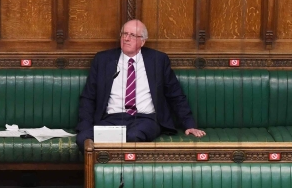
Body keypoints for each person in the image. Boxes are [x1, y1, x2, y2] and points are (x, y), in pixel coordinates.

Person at [76, 19, 205, 147]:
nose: (126, 38)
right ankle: (101, 168)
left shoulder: (158, 60)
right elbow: (88, 97)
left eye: (132, 35)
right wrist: (85, 126)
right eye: (124, 34)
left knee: (133, 137)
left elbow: (175, 95)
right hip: (111, 119)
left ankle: (116, 167)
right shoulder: (103, 60)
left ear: (143, 41)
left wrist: (189, 125)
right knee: (83, 139)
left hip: (145, 119)